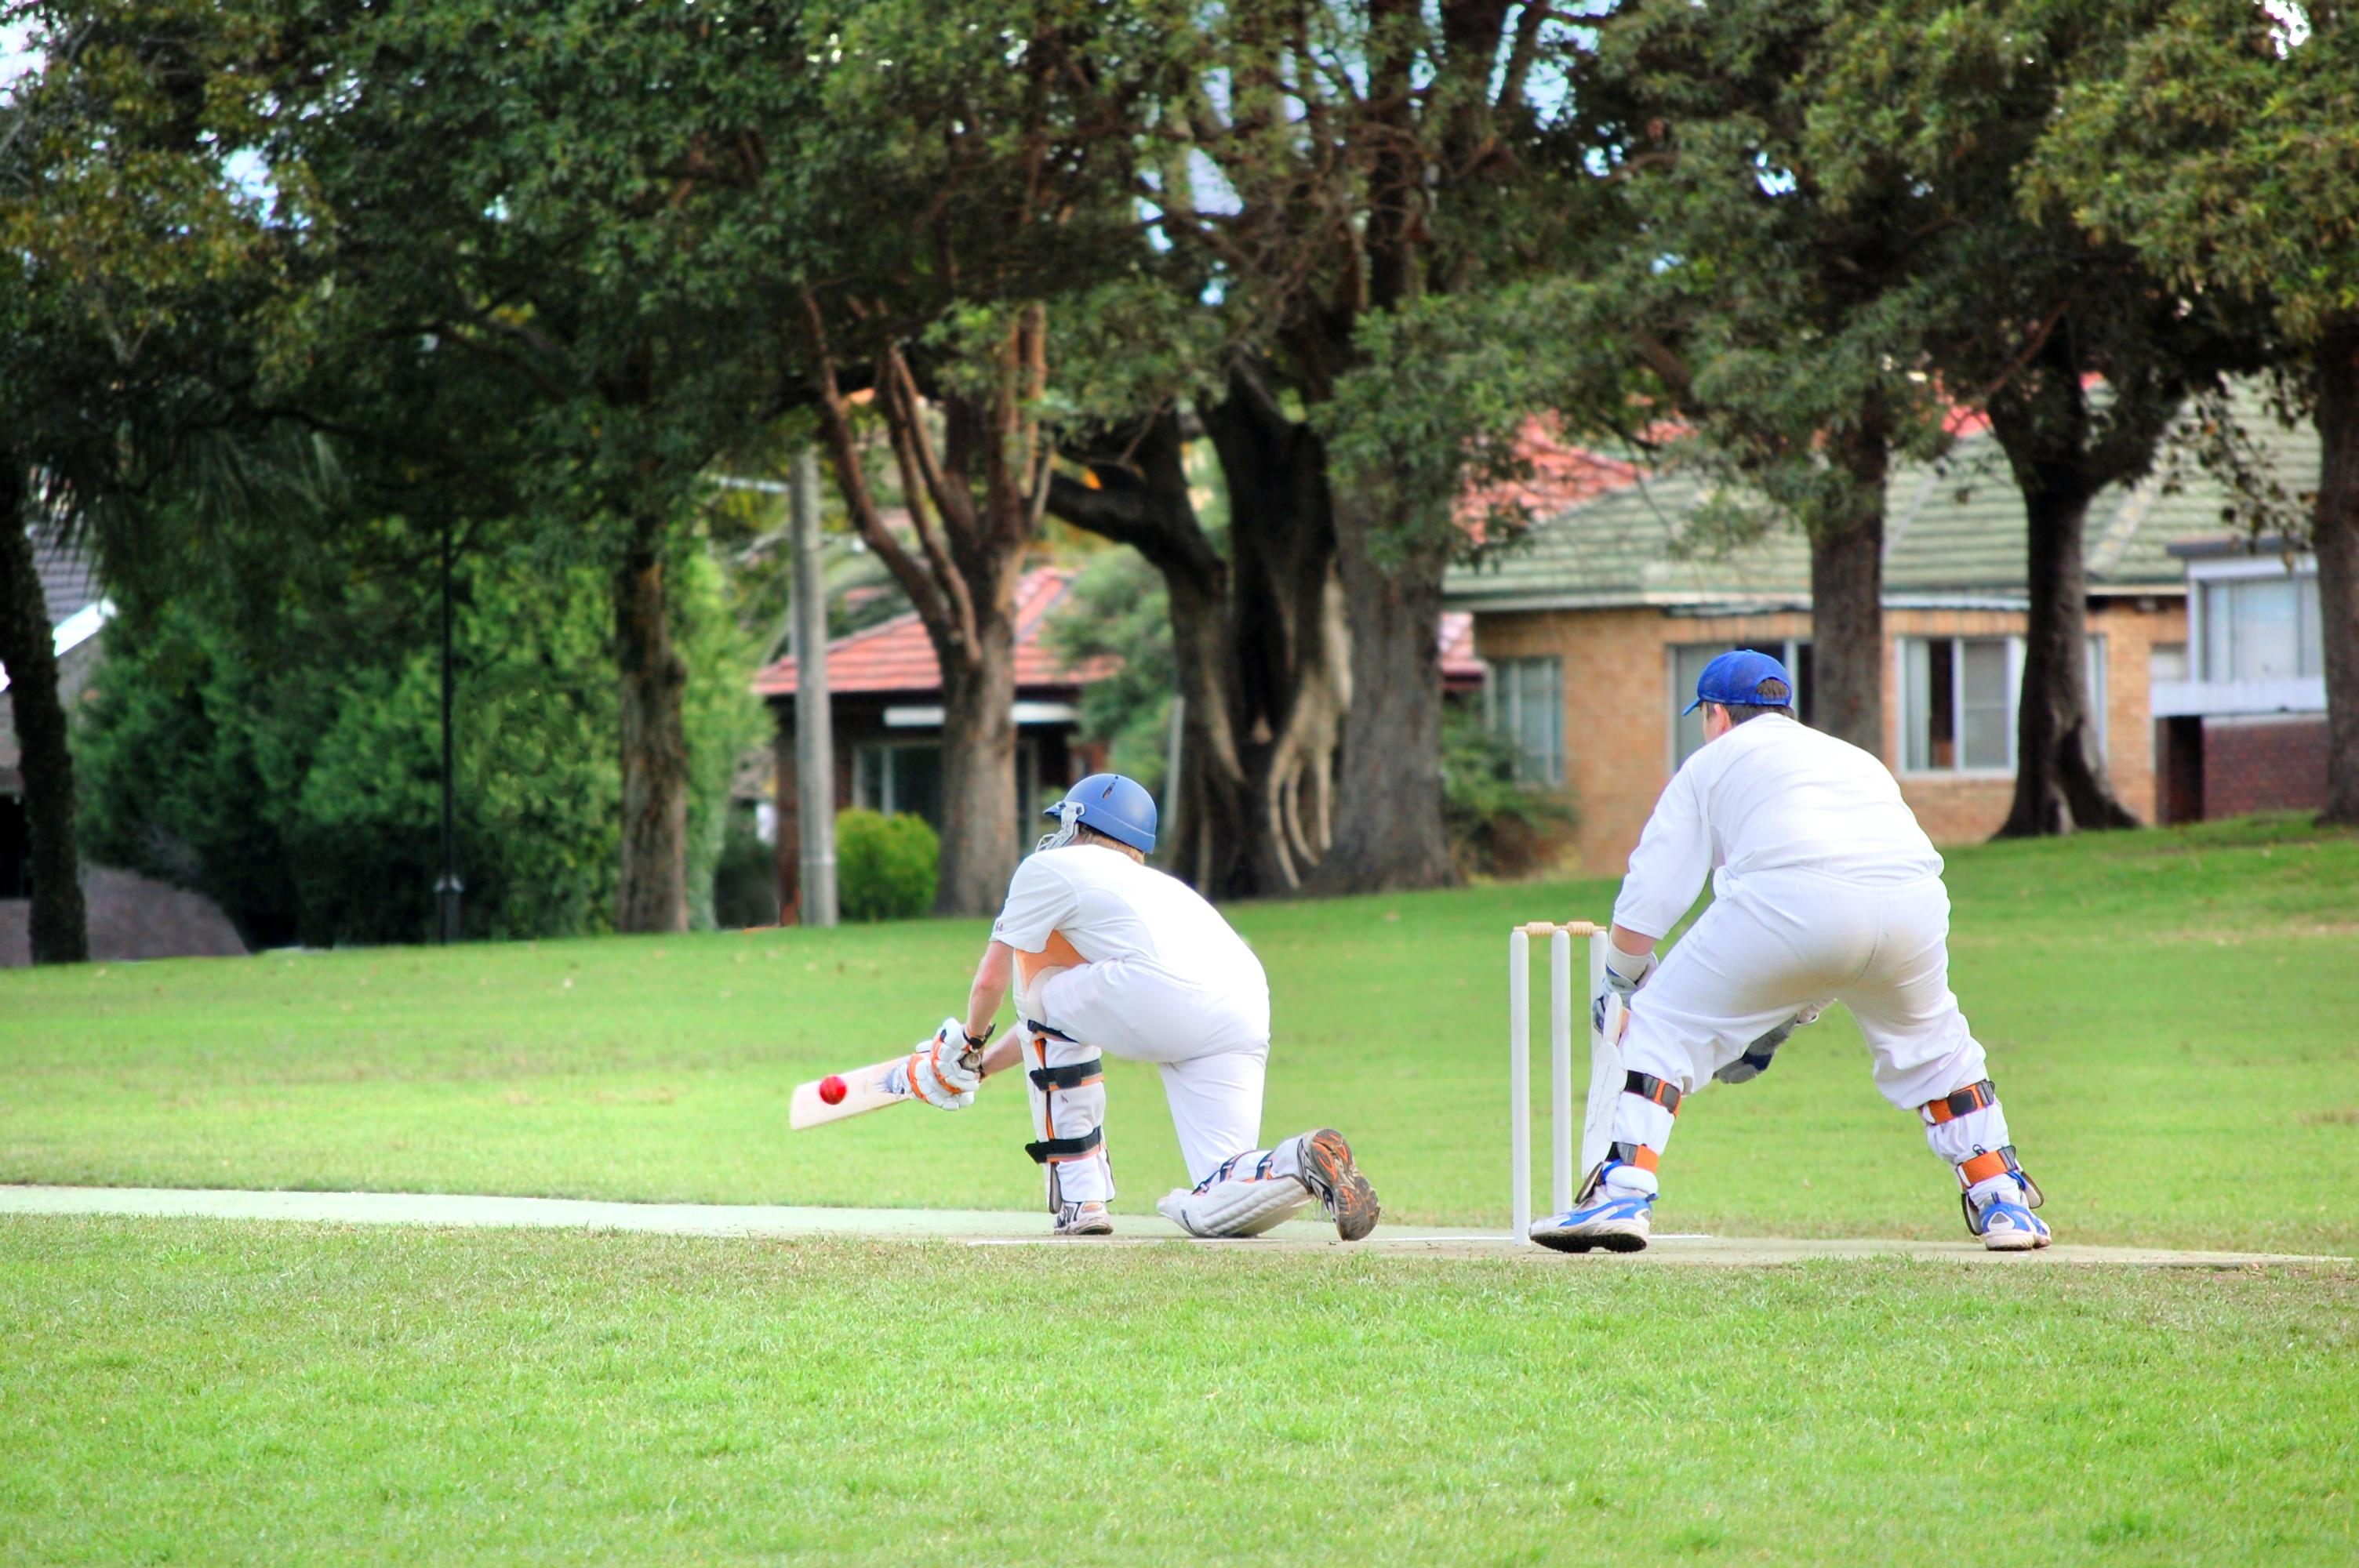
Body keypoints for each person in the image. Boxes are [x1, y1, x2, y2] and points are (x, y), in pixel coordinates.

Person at [1532, 649, 2050, 1254]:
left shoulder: (1712, 762)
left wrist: (1620, 979)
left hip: (1792, 900)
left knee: (1659, 1026)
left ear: (1717, 716)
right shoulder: (1854, 758)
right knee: (1937, 1053)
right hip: (1914, 904)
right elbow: (1844, 923)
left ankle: (1621, 1191)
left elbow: (1654, 892)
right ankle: (2004, 1201)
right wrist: (1777, 1020)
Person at [903, 772, 1381, 1240]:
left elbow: (997, 983)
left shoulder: (1047, 869)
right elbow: (1051, 1022)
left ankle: (1081, 1196)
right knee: (1215, 1198)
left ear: (1077, 824)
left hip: (1162, 992)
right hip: (1244, 1002)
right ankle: (1300, 1158)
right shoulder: (1153, 891)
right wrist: (980, 1069)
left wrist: (967, 1045)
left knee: (1039, 974)